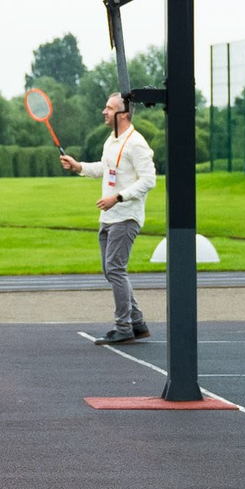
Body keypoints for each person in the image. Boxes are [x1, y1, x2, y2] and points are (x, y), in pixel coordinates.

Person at [61, 90, 156, 345]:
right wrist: (79, 166)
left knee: (115, 268)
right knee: (111, 269)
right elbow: (105, 169)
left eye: (109, 108)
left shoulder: (137, 143)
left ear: (122, 114)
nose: (104, 112)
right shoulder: (111, 140)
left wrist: (119, 197)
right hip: (108, 218)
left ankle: (123, 326)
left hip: (126, 217)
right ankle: (137, 323)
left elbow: (149, 180)